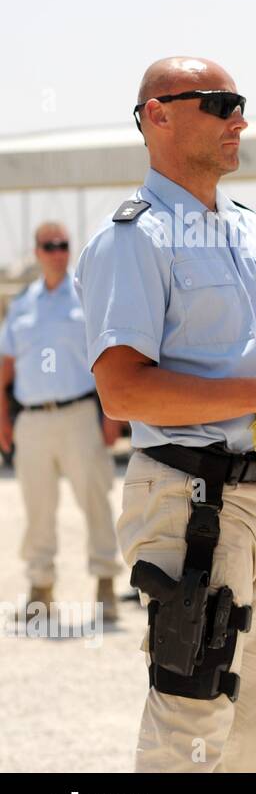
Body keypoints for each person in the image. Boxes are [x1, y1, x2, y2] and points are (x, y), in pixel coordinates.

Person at [75, 56, 256, 772]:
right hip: (194, 505)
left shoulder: (254, 232)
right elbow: (123, 390)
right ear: (158, 115)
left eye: (239, 103)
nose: (237, 118)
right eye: (219, 103)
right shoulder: (134, 237)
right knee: (190, 730)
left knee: (252, 736)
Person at [0, 222, 122, 620]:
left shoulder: (86, 297)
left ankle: (105, 584)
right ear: (36, 252)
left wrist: (111, 416)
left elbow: (108, 358)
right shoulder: (21, 306)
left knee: (94, 499)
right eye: (49, 246)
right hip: (32, 420)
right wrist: (3, 417)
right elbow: (6, 365)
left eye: (63, 245)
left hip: (79, 414)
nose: (56, 251)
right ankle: (40, 589)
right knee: (37, 506)